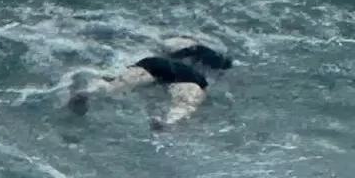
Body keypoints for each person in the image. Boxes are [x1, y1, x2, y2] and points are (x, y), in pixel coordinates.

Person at [67, 36, 233, 130]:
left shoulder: (181, 43)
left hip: (154, 63)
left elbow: (168, 45)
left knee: (113, 85)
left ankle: (89, 91)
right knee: (184, 106)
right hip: (191, 77)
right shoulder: (218, 60)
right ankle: (167, 122)